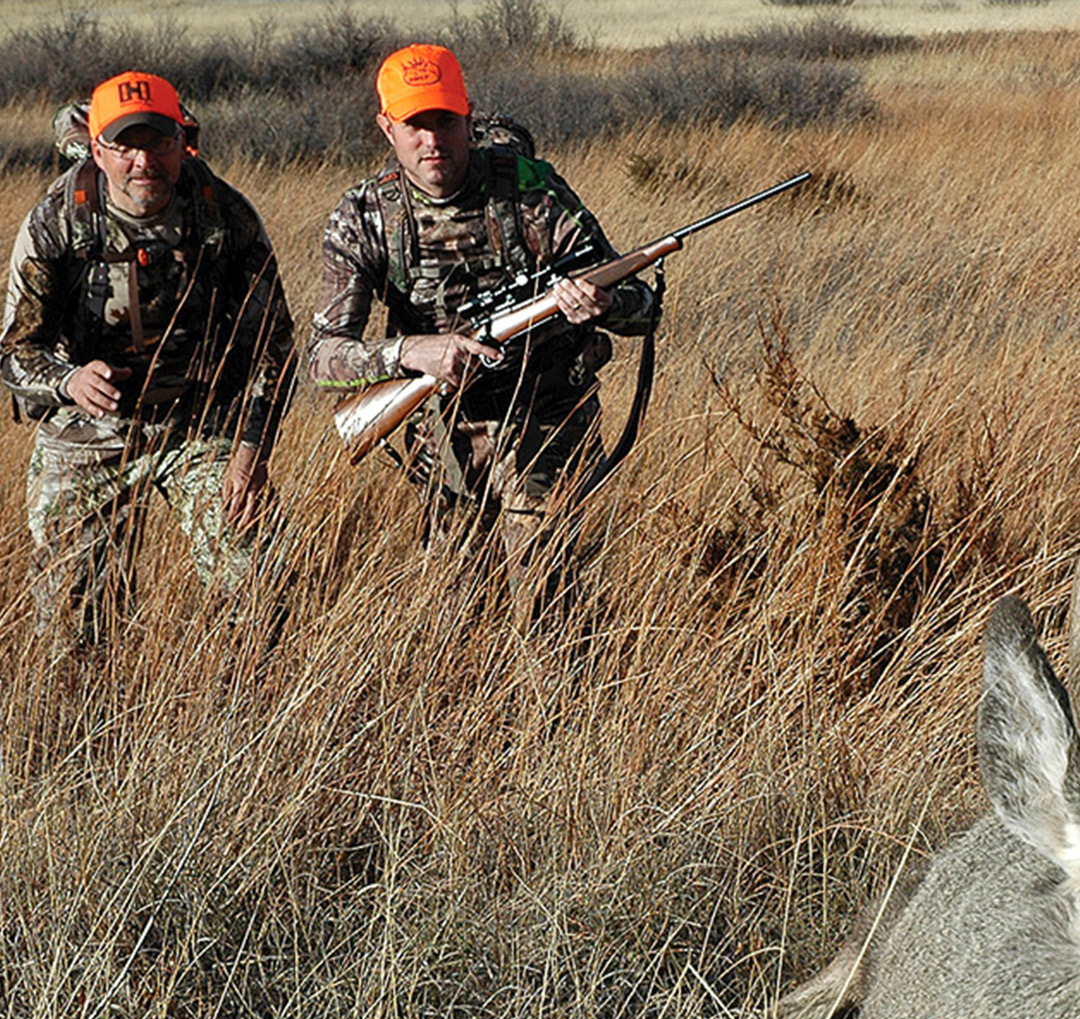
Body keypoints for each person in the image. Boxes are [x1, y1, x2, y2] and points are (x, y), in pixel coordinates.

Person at [307, 43, 655, 628]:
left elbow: (642, 310)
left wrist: (600, 304)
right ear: (386, 127)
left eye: (445, 120)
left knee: (550, 599)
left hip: (548, 417)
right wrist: (411, 351)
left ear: (468, 116)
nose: (433, 141)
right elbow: (323, 358)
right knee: (461, 606)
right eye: (416, 125)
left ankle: (562, 714)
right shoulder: (365, 216)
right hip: (441, 434)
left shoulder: (533, 193)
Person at [1, 71, 295, 644]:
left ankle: (241, 705)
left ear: (183, 140)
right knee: (69, 612)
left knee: (255, 574)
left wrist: (250, 451)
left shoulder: (224, 214)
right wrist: (69, 382)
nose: (143, 161)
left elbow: (274, 344)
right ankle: (80, 722)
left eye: (158, 142)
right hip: (91, 424)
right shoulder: (57, 220)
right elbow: (14, 352)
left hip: (200, 420)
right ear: (96, 147)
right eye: (125, 144)